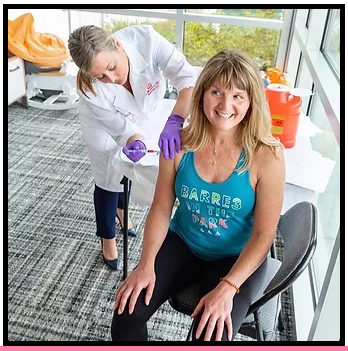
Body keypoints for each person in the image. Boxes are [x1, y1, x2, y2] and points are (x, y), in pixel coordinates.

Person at [110, 49, 285, 341]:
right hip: (184, 242)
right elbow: (161, 208)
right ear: (202, 93)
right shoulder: (179, 143)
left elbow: (264, 234)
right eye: (216, 92)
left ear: (252, 101)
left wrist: (228, 287)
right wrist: (145, 263)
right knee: (127, 315)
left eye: (237, 96)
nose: (225, 105)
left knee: (211, 336)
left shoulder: (268, 155)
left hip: (235, 257)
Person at [68, 25, 197, 270]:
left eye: (112, 67)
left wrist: (176, 119)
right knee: (107, 178)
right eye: (101, 77)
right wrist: (132, 138)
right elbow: (119, 126)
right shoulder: (89, 88)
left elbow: (187, 77)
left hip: (142, 115)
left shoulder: (147, 39)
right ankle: (107, 238)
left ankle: (122, 212)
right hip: (102, 126)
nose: (112, 79)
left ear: (117, 44)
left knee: (127, 171)